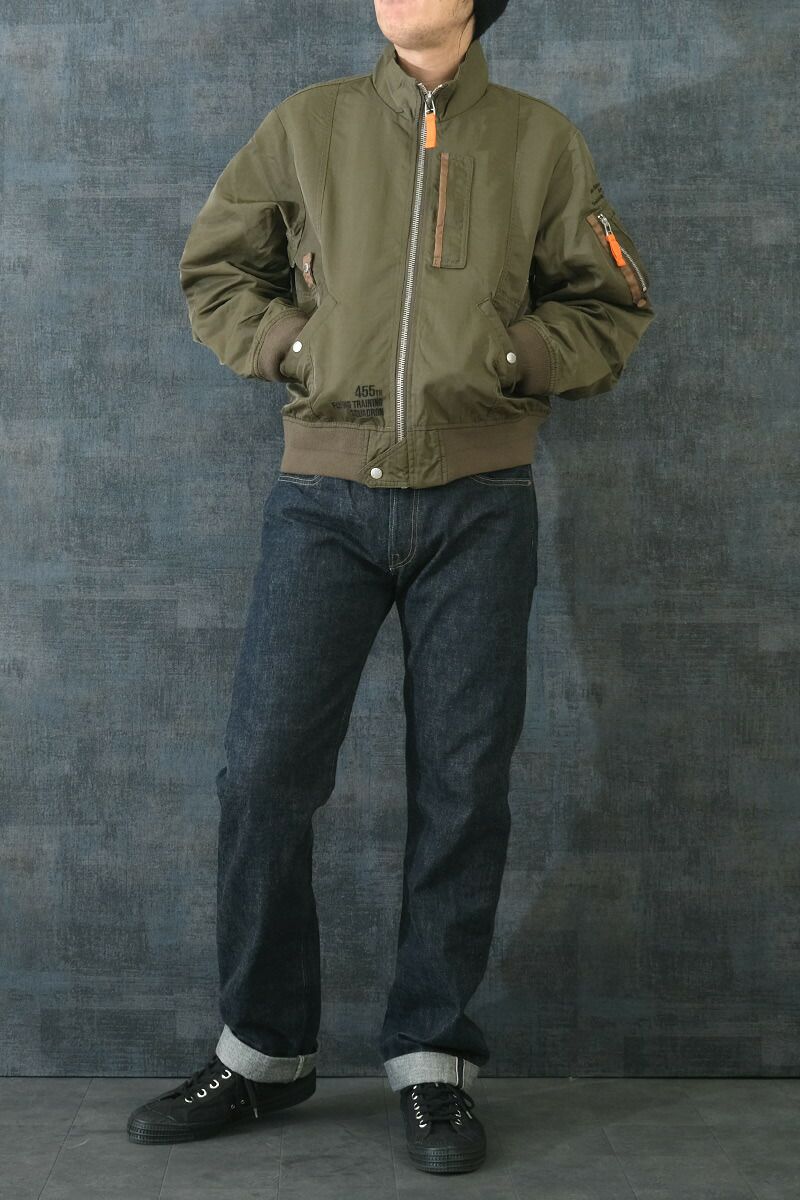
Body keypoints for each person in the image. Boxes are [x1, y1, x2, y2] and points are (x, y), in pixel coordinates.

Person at [127, 0, 654, 1175]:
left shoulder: (537, 138)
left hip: (480, 502)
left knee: (461, 785)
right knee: (262, 773)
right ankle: (265, 1049)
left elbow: (609, 305)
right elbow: (216, 271)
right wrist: (299, 348)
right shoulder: (305, 125)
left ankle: (431, 1056)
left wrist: (506, 357)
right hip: (322, 500)